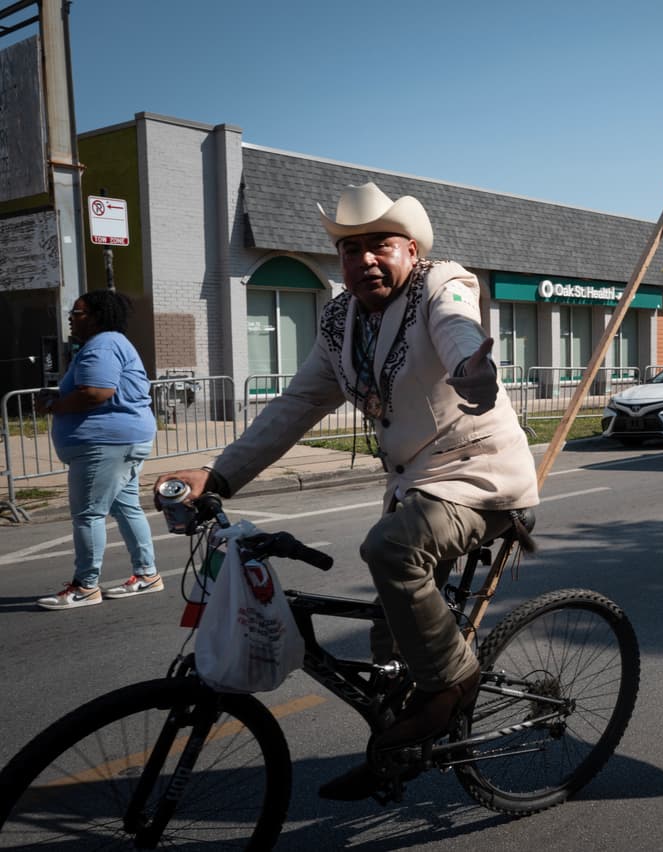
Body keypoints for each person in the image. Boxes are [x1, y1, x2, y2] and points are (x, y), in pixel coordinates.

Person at [155, 182, 539, 801]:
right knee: (388, 648)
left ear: (410, 250)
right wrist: (218, 475)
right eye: (349, 248)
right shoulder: (340, 321)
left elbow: (458, 328)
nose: (363, 259)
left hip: (479, 476)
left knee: (391, 552)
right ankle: (397, 746)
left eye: (379, 244)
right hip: (415, 485)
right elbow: (299, 404)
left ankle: (451, 688)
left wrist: (473, 366)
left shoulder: (442, 284)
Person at [34, 290, 159, 610]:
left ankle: (86, 586)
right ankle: (147, 574)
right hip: (121, 441)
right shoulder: (110, 343)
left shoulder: (102, 345)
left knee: (88, 514)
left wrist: (55, 405)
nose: (71, 320)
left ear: (97, 316)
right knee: (126, 507)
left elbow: (96, 392)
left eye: (77, 313)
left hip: (106, 444)